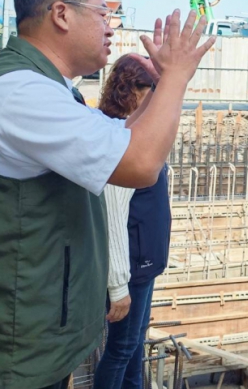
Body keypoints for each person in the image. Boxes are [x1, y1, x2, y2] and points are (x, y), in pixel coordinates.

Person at [0, 0, 215, 389]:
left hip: (22, 343)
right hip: (3, 358)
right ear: (61, 14)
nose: (110, 29)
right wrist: (176, 77)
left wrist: (162, 86)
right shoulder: (21, 91)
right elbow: (139, 164)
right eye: (102, 14)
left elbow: (121, 137)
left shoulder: (45, 87)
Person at [93, 55, 172, 389]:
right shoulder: (120, 140)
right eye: (152, 90)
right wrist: (117, 286)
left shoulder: (132, 133)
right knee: (122, 349)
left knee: (135, 345)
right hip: (131, 268)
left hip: (144, 264)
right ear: (133, 90)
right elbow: (112, 218)